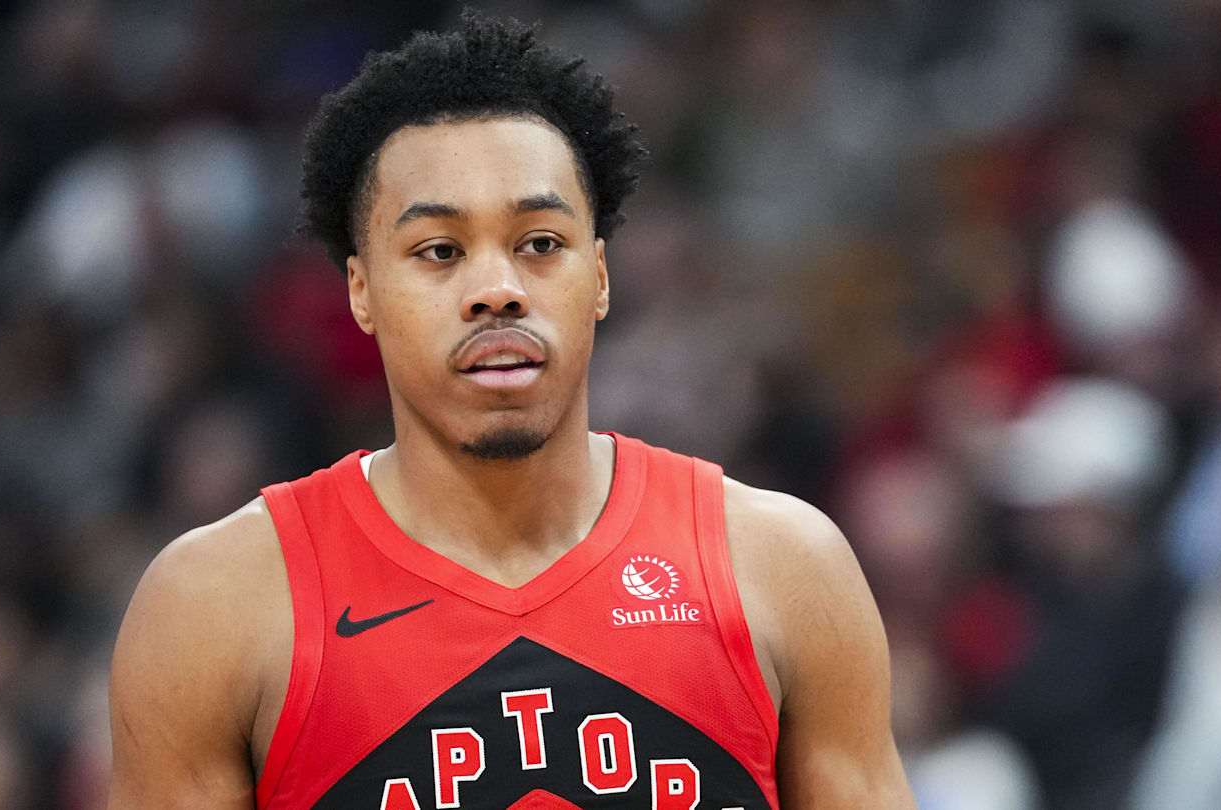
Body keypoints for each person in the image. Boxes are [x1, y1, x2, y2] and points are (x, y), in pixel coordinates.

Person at [107, 13, 914, 810]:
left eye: (539, 243)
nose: (498, 288)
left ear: (599, 276)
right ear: (361, 291)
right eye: (439, 252)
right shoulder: (215, 604)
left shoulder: (783, 566)